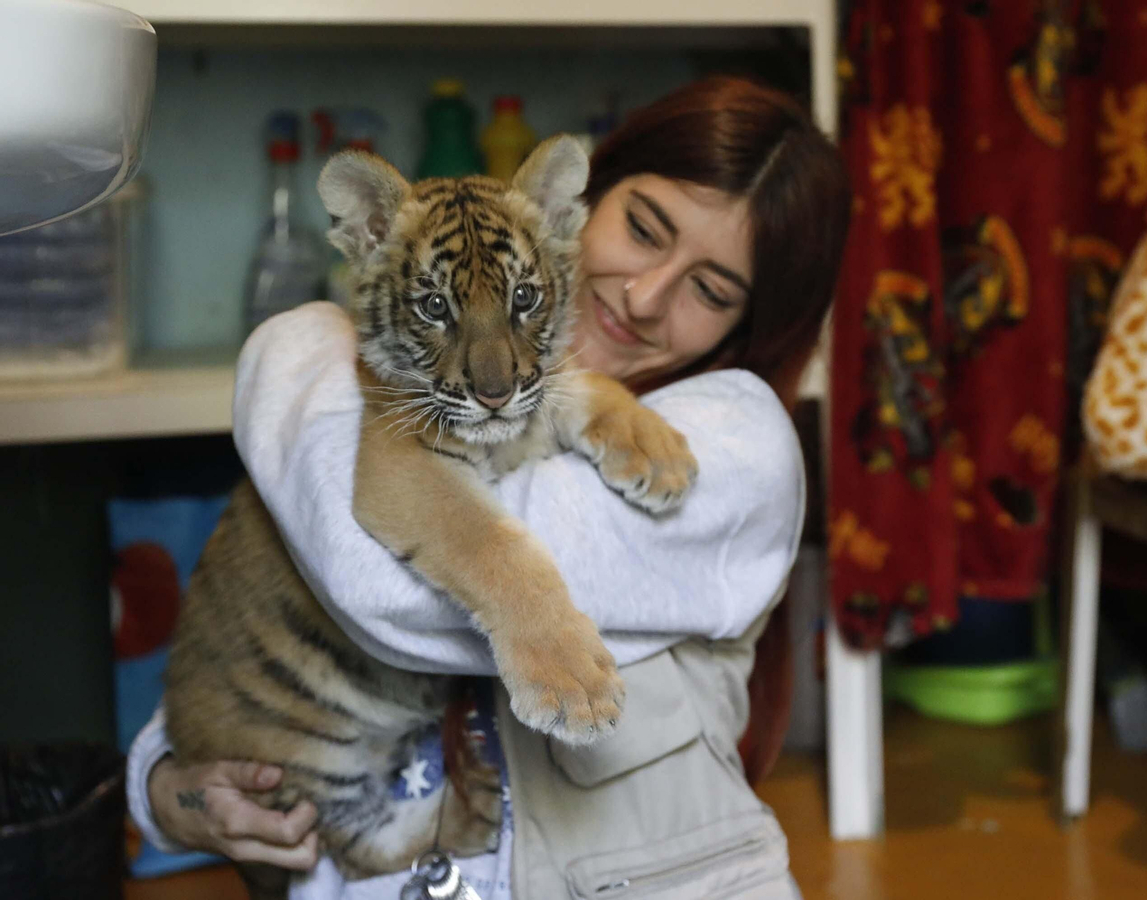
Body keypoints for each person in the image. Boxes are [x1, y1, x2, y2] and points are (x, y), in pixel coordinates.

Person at [125, 75, 849, 898]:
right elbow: (228, 687)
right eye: (644, 229)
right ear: (578, 205)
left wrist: (297, 356)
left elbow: (371, 578)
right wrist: (167, 794)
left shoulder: (740, 448)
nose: (646, 297)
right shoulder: (447, 366)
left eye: (711, 288)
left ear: (753, 324)